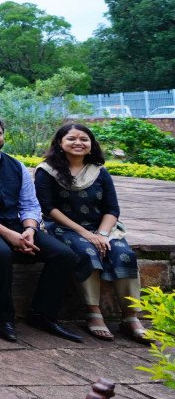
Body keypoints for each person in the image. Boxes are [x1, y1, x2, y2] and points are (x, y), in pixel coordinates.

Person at [0, 112, 81, 343]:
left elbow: (30, 204)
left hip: (17, 224)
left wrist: (30, 229)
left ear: (3, 135)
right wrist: (9, 235)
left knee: (64, 255)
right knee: (0, 253)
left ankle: (43, 314)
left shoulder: (16, 166)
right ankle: (4, 318)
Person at [36, 123, 147, 342]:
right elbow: (48, 208)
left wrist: (102, 234)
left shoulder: (99, 171)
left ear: (91, 144)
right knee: (87, 252)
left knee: (124, 254)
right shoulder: (47, 171)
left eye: (84, 139)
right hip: (64, 227)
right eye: (71, 138)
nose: (78, 143)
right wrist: (85, 234)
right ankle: (93, 312)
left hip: (101, 228)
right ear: (60, 143)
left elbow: (112, 209)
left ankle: (131, 317)